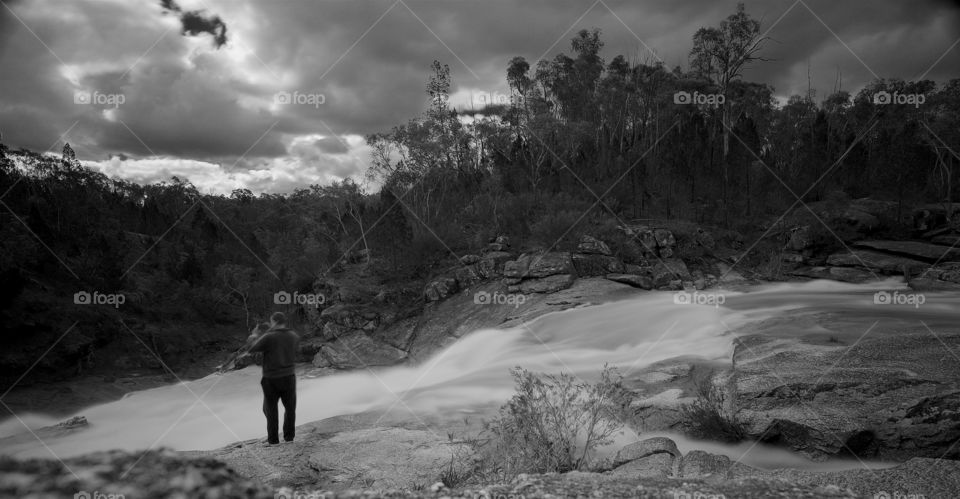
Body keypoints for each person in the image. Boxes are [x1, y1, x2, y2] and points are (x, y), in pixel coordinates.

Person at [248, 311, 300, 445]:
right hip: (289, 376)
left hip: (271, 378)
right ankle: (289, 438)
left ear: (274, 322)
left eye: (271, 322)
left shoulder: (269, 337)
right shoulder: (293, 336)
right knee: (290, 408)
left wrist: (254, 335)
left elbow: (252, 349)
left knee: (270, 409)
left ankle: (273, 441)